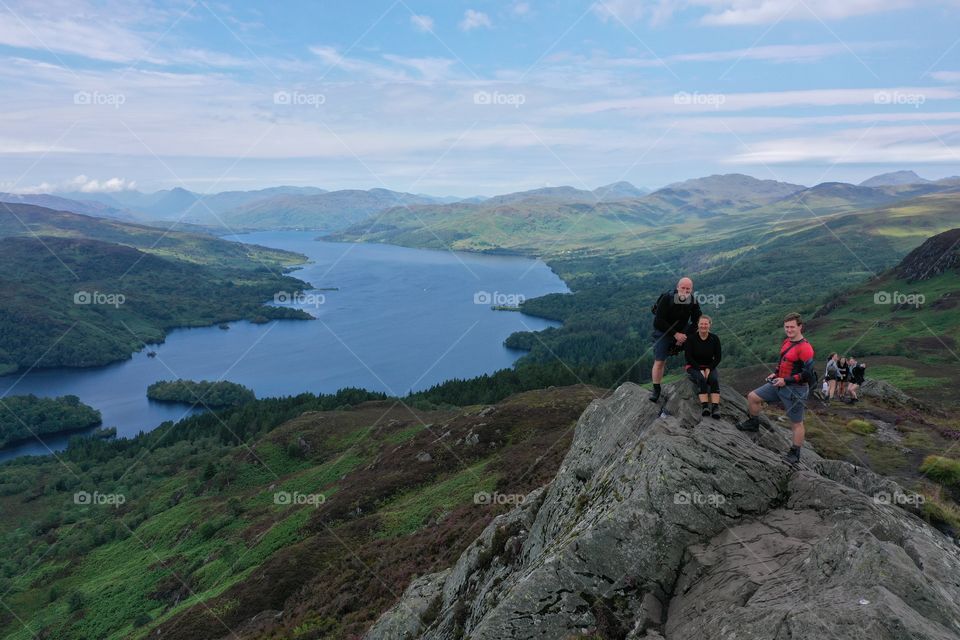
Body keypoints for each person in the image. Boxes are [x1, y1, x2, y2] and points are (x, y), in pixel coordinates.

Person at [736, 312, 815, 465]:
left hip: (795, 390)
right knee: (752, 397)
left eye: (792, 327)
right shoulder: (787, 342)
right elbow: (783, 362)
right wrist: (776, 374)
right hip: (779, 383)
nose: (789, 330)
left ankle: (795, 453)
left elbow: (807, 374)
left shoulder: (805, 348)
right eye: (786, 327)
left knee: (796, 423)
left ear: (800, 327)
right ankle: (753, 423)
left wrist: (786, 380)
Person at [649, 277, 702, 403]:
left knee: (697, 347)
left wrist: (685, 336)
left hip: (682, 332)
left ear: (691, 289)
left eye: (688, 289)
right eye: (682, 288)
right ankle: (656, 389)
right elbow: (658, 321)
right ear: (678, 287)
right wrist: (675, 334)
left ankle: (698, 378)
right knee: (660, 361)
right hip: (664, 331)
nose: (685, 291)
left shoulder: (693, 301)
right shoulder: (667, 298)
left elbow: (696, 322)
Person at [684, 315, 722, 418]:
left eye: (706, 324)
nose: (703, 326)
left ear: (710, 325)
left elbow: (718, 357)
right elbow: (688, 357)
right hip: (693, 365)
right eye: (701, 324)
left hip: (709, 365)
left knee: (713, 379)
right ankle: (705, 406)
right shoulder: (691, 339)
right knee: (701, 379)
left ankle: (715, 407)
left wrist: (709, 368)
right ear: (698, 325)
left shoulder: (714, 338)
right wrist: (699, 369)